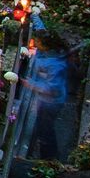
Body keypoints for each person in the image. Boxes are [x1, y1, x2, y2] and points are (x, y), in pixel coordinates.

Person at [27, 28, 70, 159]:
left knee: (46, 130)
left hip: (51, 102)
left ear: (45, 44)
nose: (34, 43)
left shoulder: (55, 64)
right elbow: (40, 25)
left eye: (37, 41)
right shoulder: (47, 51)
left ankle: (49, 159)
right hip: (45, 101)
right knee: (42, 126)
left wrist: (31, 85)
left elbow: (52, 89)